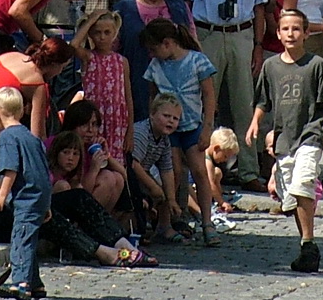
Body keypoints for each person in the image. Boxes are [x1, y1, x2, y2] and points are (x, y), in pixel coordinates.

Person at [178, 0, 269, 187]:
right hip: (208, 34)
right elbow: (185, 0)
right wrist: (190, 42)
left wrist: (257, 45)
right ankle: (196, 169)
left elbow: (259, 7)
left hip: (241, 34)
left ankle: (249, 171)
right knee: (204, 103)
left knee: (244, 104)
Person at [249, 9, 323, 275]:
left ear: (306, 32)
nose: (291, 34)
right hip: (284, 139)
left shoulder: (316, 65)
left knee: (302, 186)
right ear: (278, 34)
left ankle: (309, 243)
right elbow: (263, 101)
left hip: (311, 135)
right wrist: (255, 122)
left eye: (296, 29)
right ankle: (306, 246)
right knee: (292, 198)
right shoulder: (271, 66)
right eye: (286, 29)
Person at [142, 18, 220, 247]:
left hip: (192, 125)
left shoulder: (197, 61)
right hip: (168, 130)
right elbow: (152, 96)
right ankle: (165, 223)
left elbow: (209, 95)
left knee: (199, 171)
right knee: (172, 172)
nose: (152, 53)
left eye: (154, 48)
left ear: (167, 43)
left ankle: (207, 221)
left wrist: (207, 126)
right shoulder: (156, 66)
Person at [45, 135, 155, 267]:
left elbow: (124, 176)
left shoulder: (73, 177)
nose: (70, 158)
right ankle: (107, 253)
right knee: (65, 188)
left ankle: (125, 245)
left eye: (75, 154)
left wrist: (106, 155)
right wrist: (94, 168)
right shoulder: (50, 176)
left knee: (80, 195)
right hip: (42, 215)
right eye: (66, 153)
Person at [0, 86, 53, 300]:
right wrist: (47, 204)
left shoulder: (8, 137)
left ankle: (21, 283)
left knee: (20, 240)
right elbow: (44, 171)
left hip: (26, 198)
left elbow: (11, 169)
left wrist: (1, 194)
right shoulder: (31, 137)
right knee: (30, 239)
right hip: (39, 196)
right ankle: (35, 283)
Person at [116, 0, 194, 119]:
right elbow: (112, 52)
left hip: (179, 88)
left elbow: (192, 44)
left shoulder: (178, 6)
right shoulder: (123, 10)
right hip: (138, 87)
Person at [0, 39, 74, 139]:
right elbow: (38, 134)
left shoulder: (12, 55)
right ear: (54, 64)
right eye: (62, 67)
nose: (60, 72)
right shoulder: (37, 84)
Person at [73, 9, 133, 159]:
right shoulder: (89, 57)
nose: (102, 37)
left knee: (115, 161)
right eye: (97, 32)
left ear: (114, 33)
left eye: (107, 32)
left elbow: (128, 97)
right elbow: (73, 46)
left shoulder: (122, 61)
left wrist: (130, 130)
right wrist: (90, 21)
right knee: (93, 158)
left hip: (116, 121)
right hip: (94, 119)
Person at [129, 94, 184, 242]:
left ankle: (163, 226)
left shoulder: (164, 139)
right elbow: (133, 164)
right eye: (166, 116)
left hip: (142, 172)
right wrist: (153, 187)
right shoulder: (141, 132)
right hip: (127, 173)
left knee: (165, 187)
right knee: (151, 191)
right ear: (152, 115)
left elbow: (166, 170)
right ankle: (138, 228)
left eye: (175, 118)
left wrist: (171, 199)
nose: (170, 121)